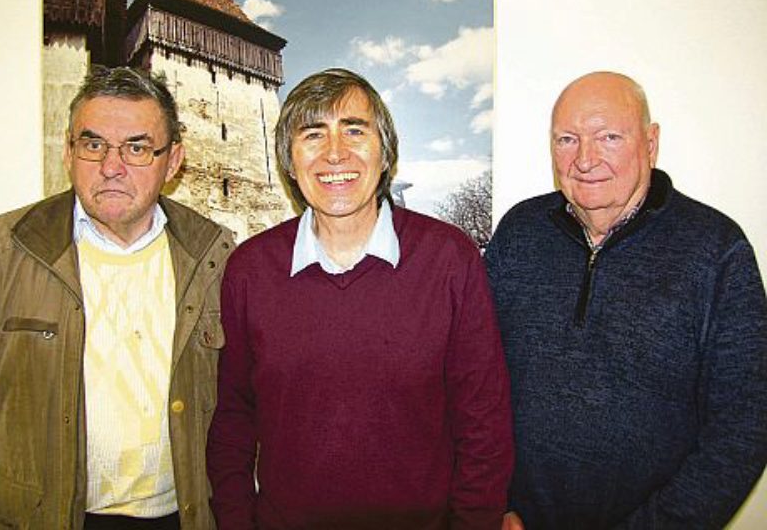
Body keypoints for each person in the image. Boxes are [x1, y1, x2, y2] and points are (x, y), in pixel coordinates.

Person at [207, 68, 513, 529]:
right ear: (289, 161)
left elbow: (483, 423)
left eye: (354, 130)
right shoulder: (250, 270)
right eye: (313, 134)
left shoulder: (451, 259)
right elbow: (233, 419)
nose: (335, 153)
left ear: (385, 152)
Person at [484, 71, 767, 529]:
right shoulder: (519, 232)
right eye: (567, 139)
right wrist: (490, 504)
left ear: (651, 143)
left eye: (609, 137)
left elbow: (744, 426)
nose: (585, 159)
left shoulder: (716, 249)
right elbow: (471, 378)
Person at [0, 66, 234, 529]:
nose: (111, 166)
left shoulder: (215, 256)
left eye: (136, 147)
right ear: (69, 153)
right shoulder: (2, 253)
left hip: (184, 517)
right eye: (93, 145)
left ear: (173, 162)